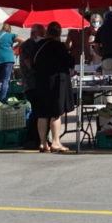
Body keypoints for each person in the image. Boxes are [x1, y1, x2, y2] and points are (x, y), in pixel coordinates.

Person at [23, 22, 74, 153]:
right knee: (55, 114)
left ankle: (42, 143)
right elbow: (70, 62)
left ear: (47, 32)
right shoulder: (59, 46)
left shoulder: (38, 46)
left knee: (42, 114)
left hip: (40, 82)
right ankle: (56, 142)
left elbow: (32, 64)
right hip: (57, 83)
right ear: (59, 33)